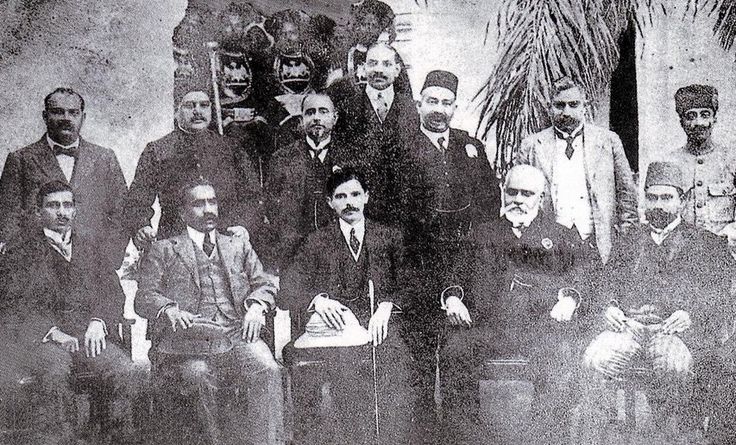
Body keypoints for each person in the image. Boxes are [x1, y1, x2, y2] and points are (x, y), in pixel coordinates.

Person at [579, 161, 731, 443]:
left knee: (673, 368)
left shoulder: (706, 243)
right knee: (594, 361)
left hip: (672, 332)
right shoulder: (628, 240)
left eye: (667, 198)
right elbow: (606, 281)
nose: (658, 205)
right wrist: (609, 306)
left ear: (682, 200)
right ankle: (607, 432)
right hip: (628, 327)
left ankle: (674, 434)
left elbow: (721, 293)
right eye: (652, 197)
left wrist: (691, 314)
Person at [438, 165, 590, 444]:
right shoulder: (481, 234)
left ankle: (544, 439)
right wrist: (453, 298)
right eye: (512, 192)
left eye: (527, 193)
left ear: (541, 197)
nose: (518, 200)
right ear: (502, 192)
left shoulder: (560, 235)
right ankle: (470, 439)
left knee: (560, 356)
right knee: (454, 350)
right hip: (488, 326)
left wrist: (569, 298)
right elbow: (455, 273)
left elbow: (582, 274)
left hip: (541, 328)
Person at [134, 178, 284, 445]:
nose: (208, 209)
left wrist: (257, 307)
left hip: (237, 335)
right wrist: (168, 308)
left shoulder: (237, 245)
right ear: (182, 212)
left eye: (212, 202)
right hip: (189, 342)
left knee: (267, 369)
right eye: (198, 203)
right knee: (197, 375)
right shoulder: (165, 249)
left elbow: (264, 283)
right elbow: (144, 297)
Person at [397, 69, 500, 443]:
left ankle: (463, 433)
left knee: (460, 352)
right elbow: (393, 216)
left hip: (466, 265)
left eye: (446, 103)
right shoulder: (400, 149)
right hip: (420, 267)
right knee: (421, 360)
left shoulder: (469, 147)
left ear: (455, 107)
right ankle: (424, 433)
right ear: (419, 103)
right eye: (432, 101)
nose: (438, 110)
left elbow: (490, 206)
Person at [280, 167, 414, 445]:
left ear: (367, 196)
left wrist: (388, 306)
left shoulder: (390, 237)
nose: (349, 202)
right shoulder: (316, 241)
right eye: (340, 196)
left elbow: (411, 282)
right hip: (338, 332)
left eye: (355, 194)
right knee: (346, 372)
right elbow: (289, 288)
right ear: (330, 202)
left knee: (397, 359)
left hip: (382, 325)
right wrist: (317, 301)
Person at [0, 180, 139, 444]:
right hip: (42, 343)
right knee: (54, 371)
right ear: (38, 212)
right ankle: (56, 439)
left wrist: (98, 321)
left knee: (124, 370)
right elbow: (12, 305)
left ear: (75, 210)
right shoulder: (19, 253)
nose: (62, 212)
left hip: (89, 338)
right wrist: (52, 333)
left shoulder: (91, 248)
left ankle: (115, 438)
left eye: (67, 205)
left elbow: (112, 292)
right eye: (53, 206)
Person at [0, 87, 128, 269]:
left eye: (73, 113)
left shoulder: (105, 158)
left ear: (83, 117)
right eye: (58, 112)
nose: (66, 118)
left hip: (94, 268)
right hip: (37, 269)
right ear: (45, 117)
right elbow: (7, 218)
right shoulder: (21, 159)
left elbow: (121, 211)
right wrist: (21, 263)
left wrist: (110, 258)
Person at [515, 76, 638, 263]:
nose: (566, 111)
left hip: (598, 244)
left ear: (584, 106)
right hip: (551, 246)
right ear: (550, 107)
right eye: (559, 105)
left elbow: (626, 195)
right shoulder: (532, 146)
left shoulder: (608, 142)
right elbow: (518, 197)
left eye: (573, 104)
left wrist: (624, 242)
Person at [125, 90, 262, 250]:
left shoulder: (231, 148)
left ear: (211, 110)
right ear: (177, 112)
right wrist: (141, 226)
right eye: (189, 106)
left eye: (204, 105)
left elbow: (253, 195)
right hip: (175, 242)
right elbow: (137, 198)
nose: (197, 111)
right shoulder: (157, 150)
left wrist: (244, 225)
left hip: (226, 240)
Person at [333, 42, 418, 224]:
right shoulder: (348, 108)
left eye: (386, 64)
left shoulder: (411, 109)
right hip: (363, 211)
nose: (379, 70)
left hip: (403, 210)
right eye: (373, 63)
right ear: (363, 69)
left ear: (397, 70)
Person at [265, 93, 349, 270]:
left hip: (340, 252)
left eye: (323, 112)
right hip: (296, 255)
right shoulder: (282, 158)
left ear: (335, 118)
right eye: (310, 113)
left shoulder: (351, 158)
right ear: (302, 120)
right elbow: (272, 207)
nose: (316, 118)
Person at [664, 84, 736, 240]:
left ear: (714, 119)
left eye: (705, 115)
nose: (699, 123)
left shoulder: (731, 159)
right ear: (681, 122)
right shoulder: (670, 162)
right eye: (691, 116)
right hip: (681, 253)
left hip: (723, 250)